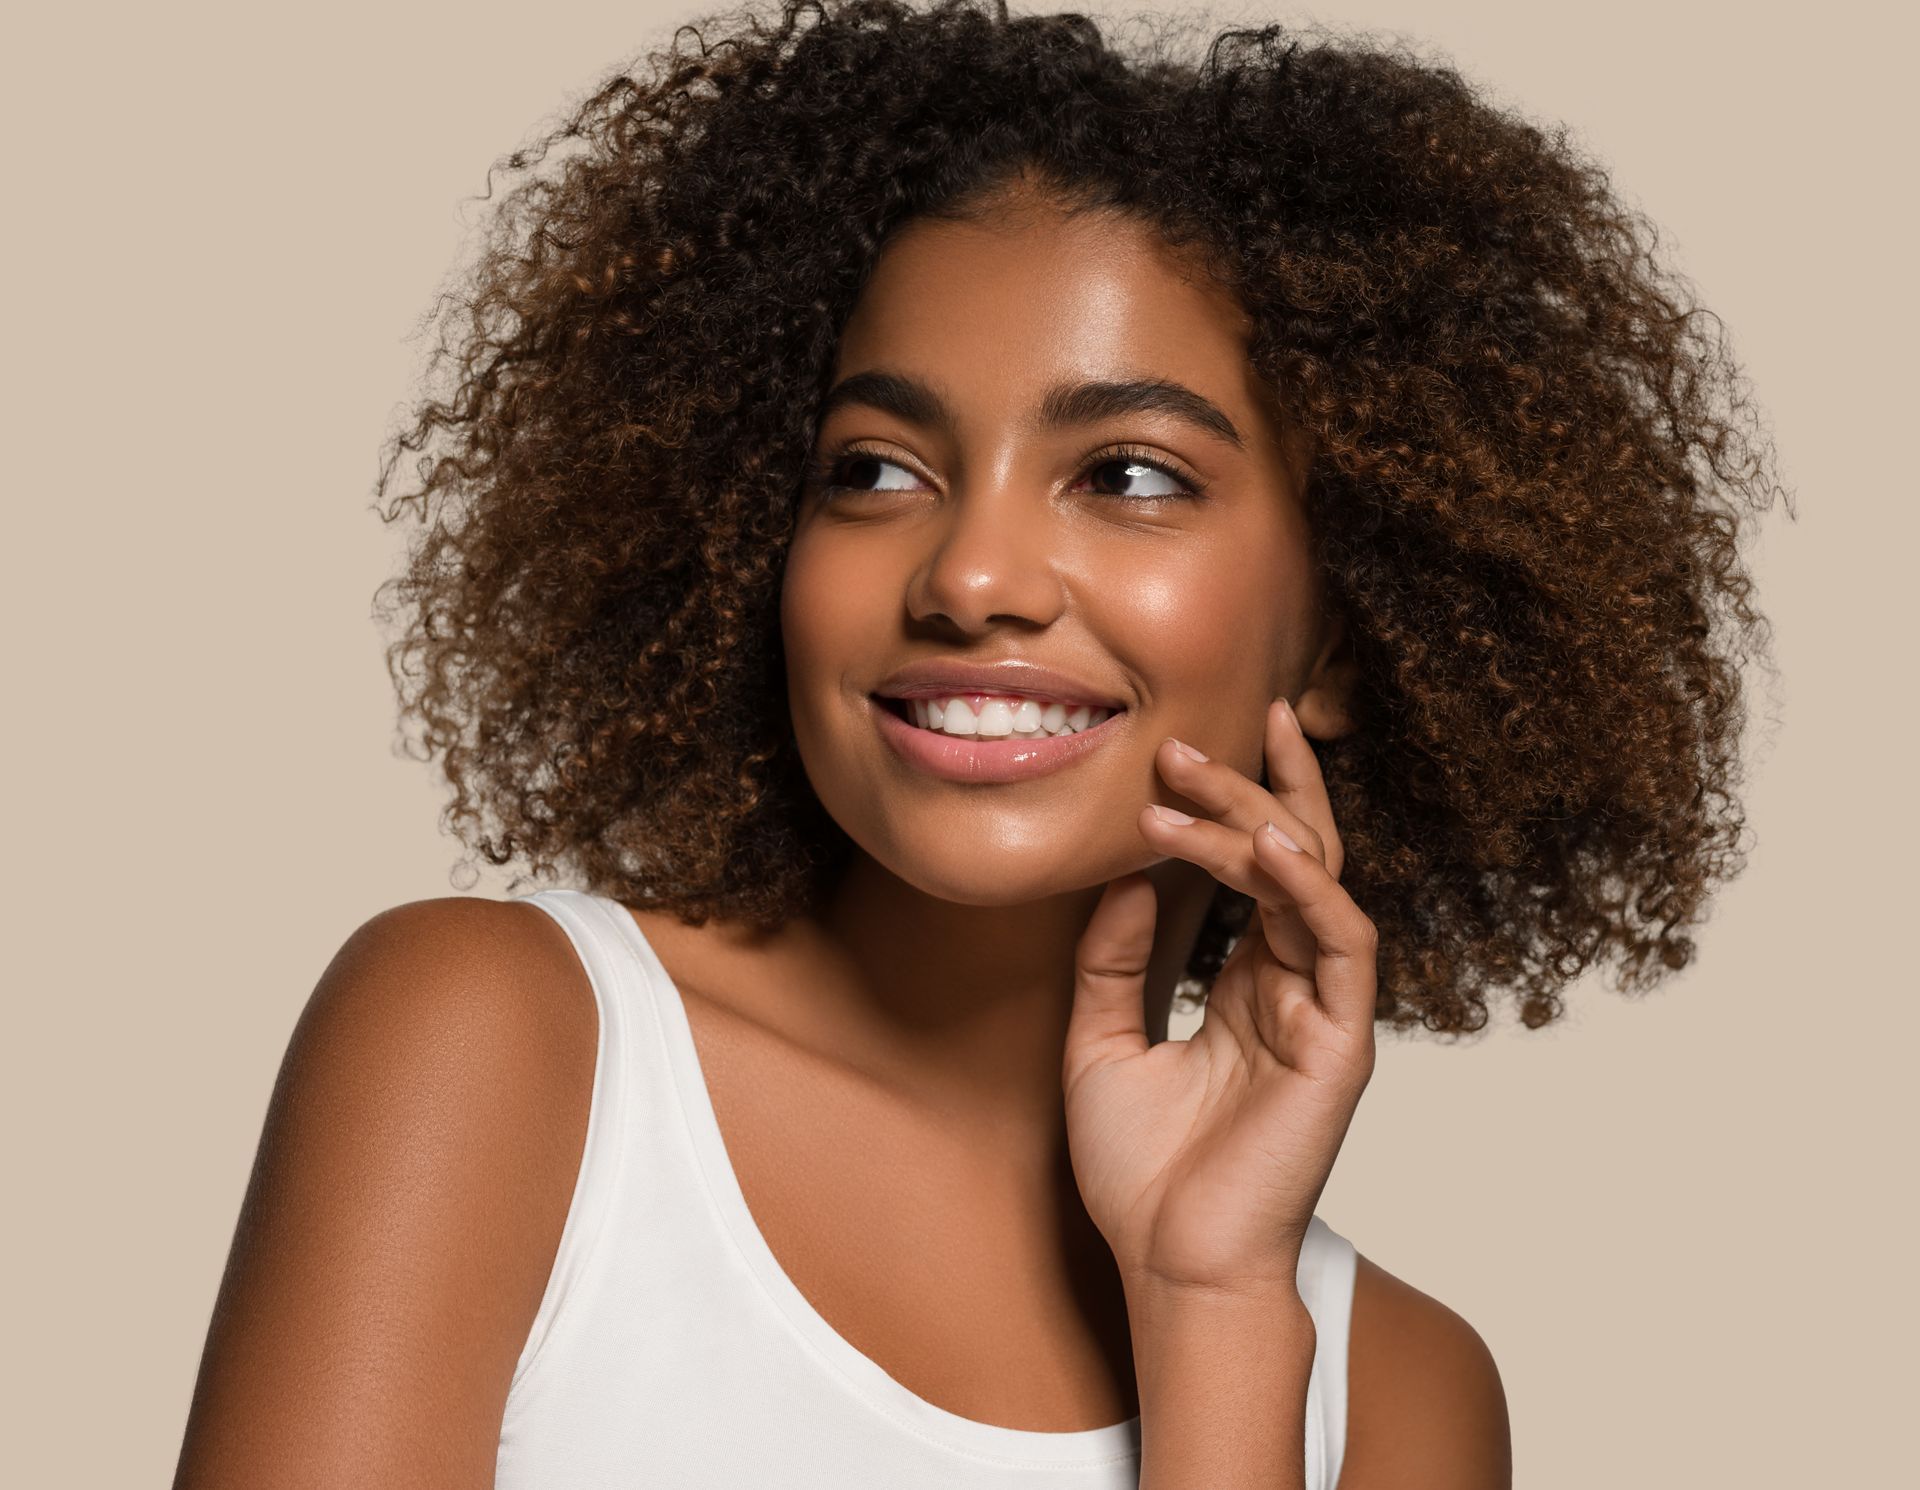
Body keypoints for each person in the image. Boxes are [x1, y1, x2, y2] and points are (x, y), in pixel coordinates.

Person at [172, 1, 1779, 1485]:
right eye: (876, 468)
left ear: (1351, 630)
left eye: (1131, 475)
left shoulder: (1405, 1397)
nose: (970, 576)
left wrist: (1210, 1302)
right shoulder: (502, 1049)